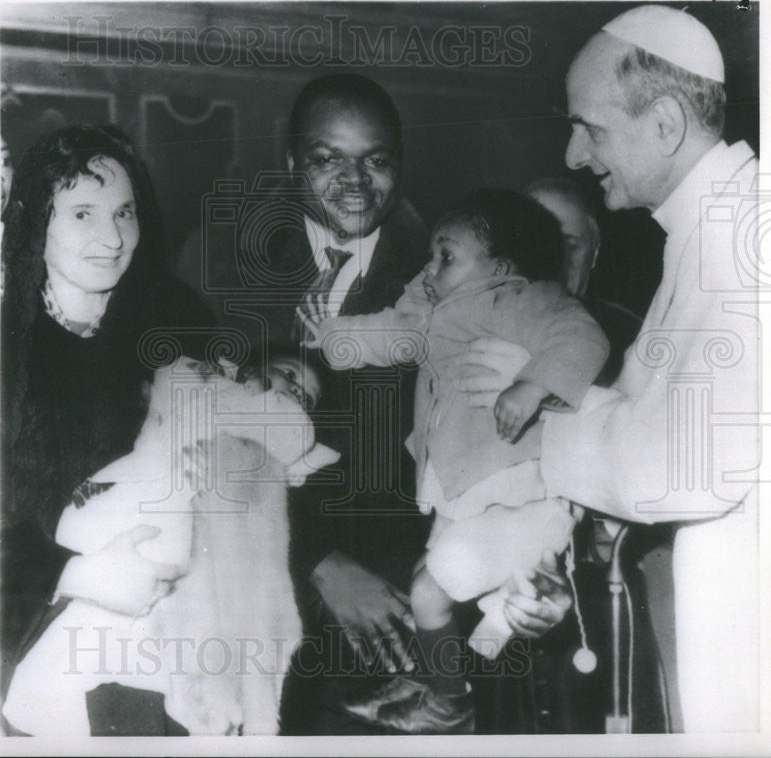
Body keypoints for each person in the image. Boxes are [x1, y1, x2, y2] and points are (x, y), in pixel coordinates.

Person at [227, 74, 575, 736]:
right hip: (271, 594)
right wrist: (318, 560)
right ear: (292, 162)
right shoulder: (220, 260)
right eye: (329, 158)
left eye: (377, 160)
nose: (356, 182)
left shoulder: (451, 267)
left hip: (416, 611)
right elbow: (196, 446)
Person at [461, 5, 760, 732]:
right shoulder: (703, 233)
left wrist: (537, 419)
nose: (572, 155)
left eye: (589, 127)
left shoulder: (752, 240)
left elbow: (688, 463)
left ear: (663, 124)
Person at [302, 190, 609, 733]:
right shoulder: (438, 310)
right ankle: (449, 666)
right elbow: (391, 333)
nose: (431, 267)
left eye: (446, 256)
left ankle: (450, 699)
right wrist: (330, 337)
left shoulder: (525, 300)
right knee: (430, 580)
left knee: (430, 590)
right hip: (466, 494)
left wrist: (534, 385)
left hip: (517, 498)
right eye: (433, 255)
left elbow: (582, 338)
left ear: (501, 267)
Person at [0, 123, 217, 735]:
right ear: (37, 221)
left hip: (183, 612)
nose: (113, 237)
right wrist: (73, 575)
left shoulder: (176, 318)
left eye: (125, 212)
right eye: (82, 214)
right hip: (36, 611)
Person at [3, 351, 339, 736]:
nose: (295, 394)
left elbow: (292, 434)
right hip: (133, 499)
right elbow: (171, 384)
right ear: (249, 368)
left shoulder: (280, 433)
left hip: (180, 544)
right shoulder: (194, 379)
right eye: (289, 376)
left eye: (307, 398)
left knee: (114, 648)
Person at [526, 176, 643, 386]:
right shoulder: (472, 320)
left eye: (570, 247)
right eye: (536, 245)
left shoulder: (632, 337)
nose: (553, 262)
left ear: (594, 253)